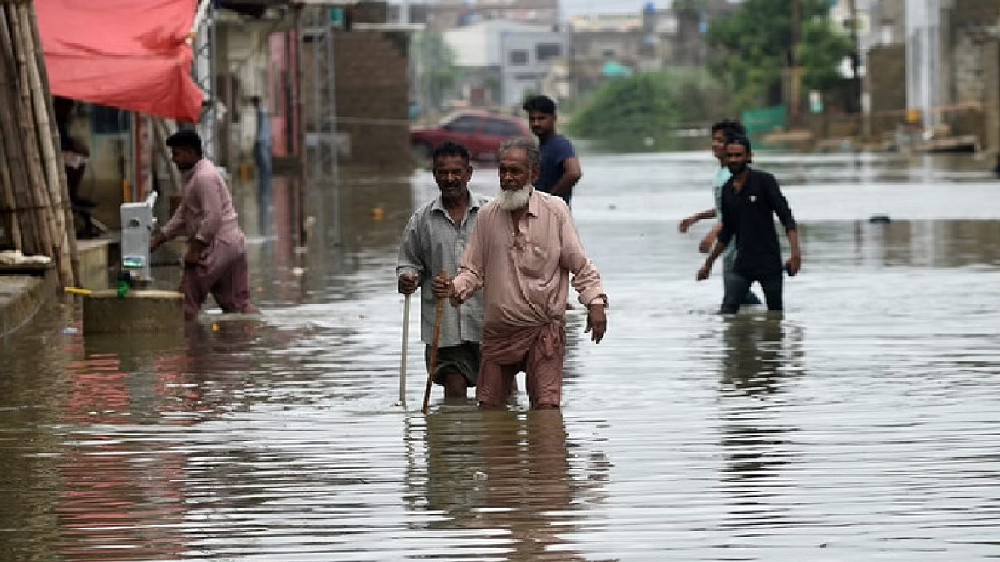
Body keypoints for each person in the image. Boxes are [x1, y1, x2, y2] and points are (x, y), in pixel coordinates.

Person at [433, 138, 608, 410]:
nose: (507, 178)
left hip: (544, 329)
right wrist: (454, 288)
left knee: (546, 410)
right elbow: (473, 271)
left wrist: (595, 303)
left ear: (533, 175)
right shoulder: (487, 216)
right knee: (489, 410)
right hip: (499, 332)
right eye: (503, 171)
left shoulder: (555, 211)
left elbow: (580, 264)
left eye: (515, 171)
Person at [397, 141, 491, 399]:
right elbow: (409, 262)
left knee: (496, 395)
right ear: (434, 175)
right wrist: (408, 278)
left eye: (456, 172)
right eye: (443, 172)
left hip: (487, 322)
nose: (450, 179)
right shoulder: (422, 220)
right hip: (445, 325)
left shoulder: (490, 214)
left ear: (468, 174)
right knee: (454, 389)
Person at [150, 129, 259, 321]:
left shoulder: (204, 178)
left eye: (177, 154)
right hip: (232, 244)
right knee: (238, 307)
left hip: (217, 244)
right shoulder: (196, 177)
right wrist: (160, 238)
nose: (174, 160)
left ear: (190, 153)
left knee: (186, 303)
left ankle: (187, 340)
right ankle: (249, 336)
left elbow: (213, 217)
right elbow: (183, 214)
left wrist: (195, 249)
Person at [697, 135, 801, 314]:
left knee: (775, 315)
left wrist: (795, 255)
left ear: (749, 157)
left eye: (738, 155)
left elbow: (787, 219)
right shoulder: (727, 190)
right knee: (728, 312)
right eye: (730, 156)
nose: (733, 160)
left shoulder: (764, 181)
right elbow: (726, 232)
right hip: (742, 264)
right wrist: (708, 264)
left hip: (769, 263)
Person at [678, 119, 761, 307]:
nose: (715, 144)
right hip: (729, 239)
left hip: (738, 240)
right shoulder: (721, 174)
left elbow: (737, 211)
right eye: (714, 140)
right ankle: (763, 316)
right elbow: (724, 208)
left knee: (733, 291)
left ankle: (762, 317)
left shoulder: (733, 176)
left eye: (720, 141)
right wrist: (697, 218)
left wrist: (713, 234)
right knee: (737, 290)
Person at [521, 95, 581, 206]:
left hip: (554, 212)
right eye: (532, 119)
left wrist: (549, 199)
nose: (536, 124)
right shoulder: (539, 147)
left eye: (541, 118)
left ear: (554, 118)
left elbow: (574, 173)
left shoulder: (560, 145)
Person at [250, 95, 273, 235]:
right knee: (264, 165)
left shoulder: (261, 112)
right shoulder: (263, 111)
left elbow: (261, 128)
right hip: (265, 140)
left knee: (264, 165)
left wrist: (257, 140)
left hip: (262, 140)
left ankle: (264, 186)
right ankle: (264, 186)